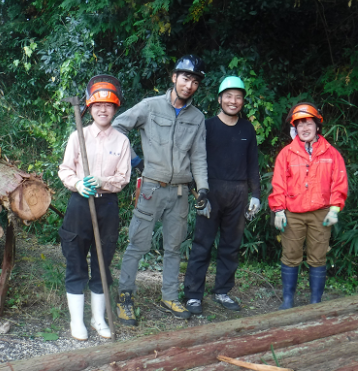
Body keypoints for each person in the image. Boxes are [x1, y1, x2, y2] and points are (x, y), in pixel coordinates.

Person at [111, 54, 209, 325]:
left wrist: (203, 189)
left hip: (180, 194)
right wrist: (134, 161)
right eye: (186, 78)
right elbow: (116, 127)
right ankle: (125, 298)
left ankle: (169, 296)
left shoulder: (197, 118)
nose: (189, 85)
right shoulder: (150, 107)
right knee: (137, 244)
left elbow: (199, 157)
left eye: (195, 81)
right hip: (151, 188)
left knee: (174, 248)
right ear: (174, 77)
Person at [58, 75, 131, 340]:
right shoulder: (78, 136)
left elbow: (123, 178)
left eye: (109, 105)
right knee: (76, 260)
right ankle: (78, 321)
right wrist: (78, 183)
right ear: (89, 107)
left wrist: (102, 181)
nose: (103, 109)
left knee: (102, 262)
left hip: (107, 206)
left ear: (115, 108)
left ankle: (98, 318)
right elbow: (65, 170)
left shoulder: (121, 141)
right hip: (79, 204)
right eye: (98, 104)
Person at [183, 76, 261, 316]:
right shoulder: (207, 126)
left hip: (238, 192)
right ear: (219, 99)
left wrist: (255, 195)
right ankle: (193, 295)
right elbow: (194, 161)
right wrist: (199, 195)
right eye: (228, 96)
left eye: (238, 97)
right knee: (201, 245)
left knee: (230, 246)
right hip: (211, 191)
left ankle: (222, 291)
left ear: (242, 101)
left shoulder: (247, 128)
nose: (233, 101)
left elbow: (252, 165)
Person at [268, 103, 348, 310]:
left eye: (308, 123)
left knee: (318, 257)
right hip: (293, 214)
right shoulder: (286, 154)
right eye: (300, 124)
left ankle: (315, 303)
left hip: (321, 214)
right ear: (295, 127)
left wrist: (334, 209)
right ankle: (288, 301)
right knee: (291, 255)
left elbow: (339, 182)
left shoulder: (331, 154)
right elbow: (278, 184)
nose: (305, 128)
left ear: (317, 126)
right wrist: (278, 210)